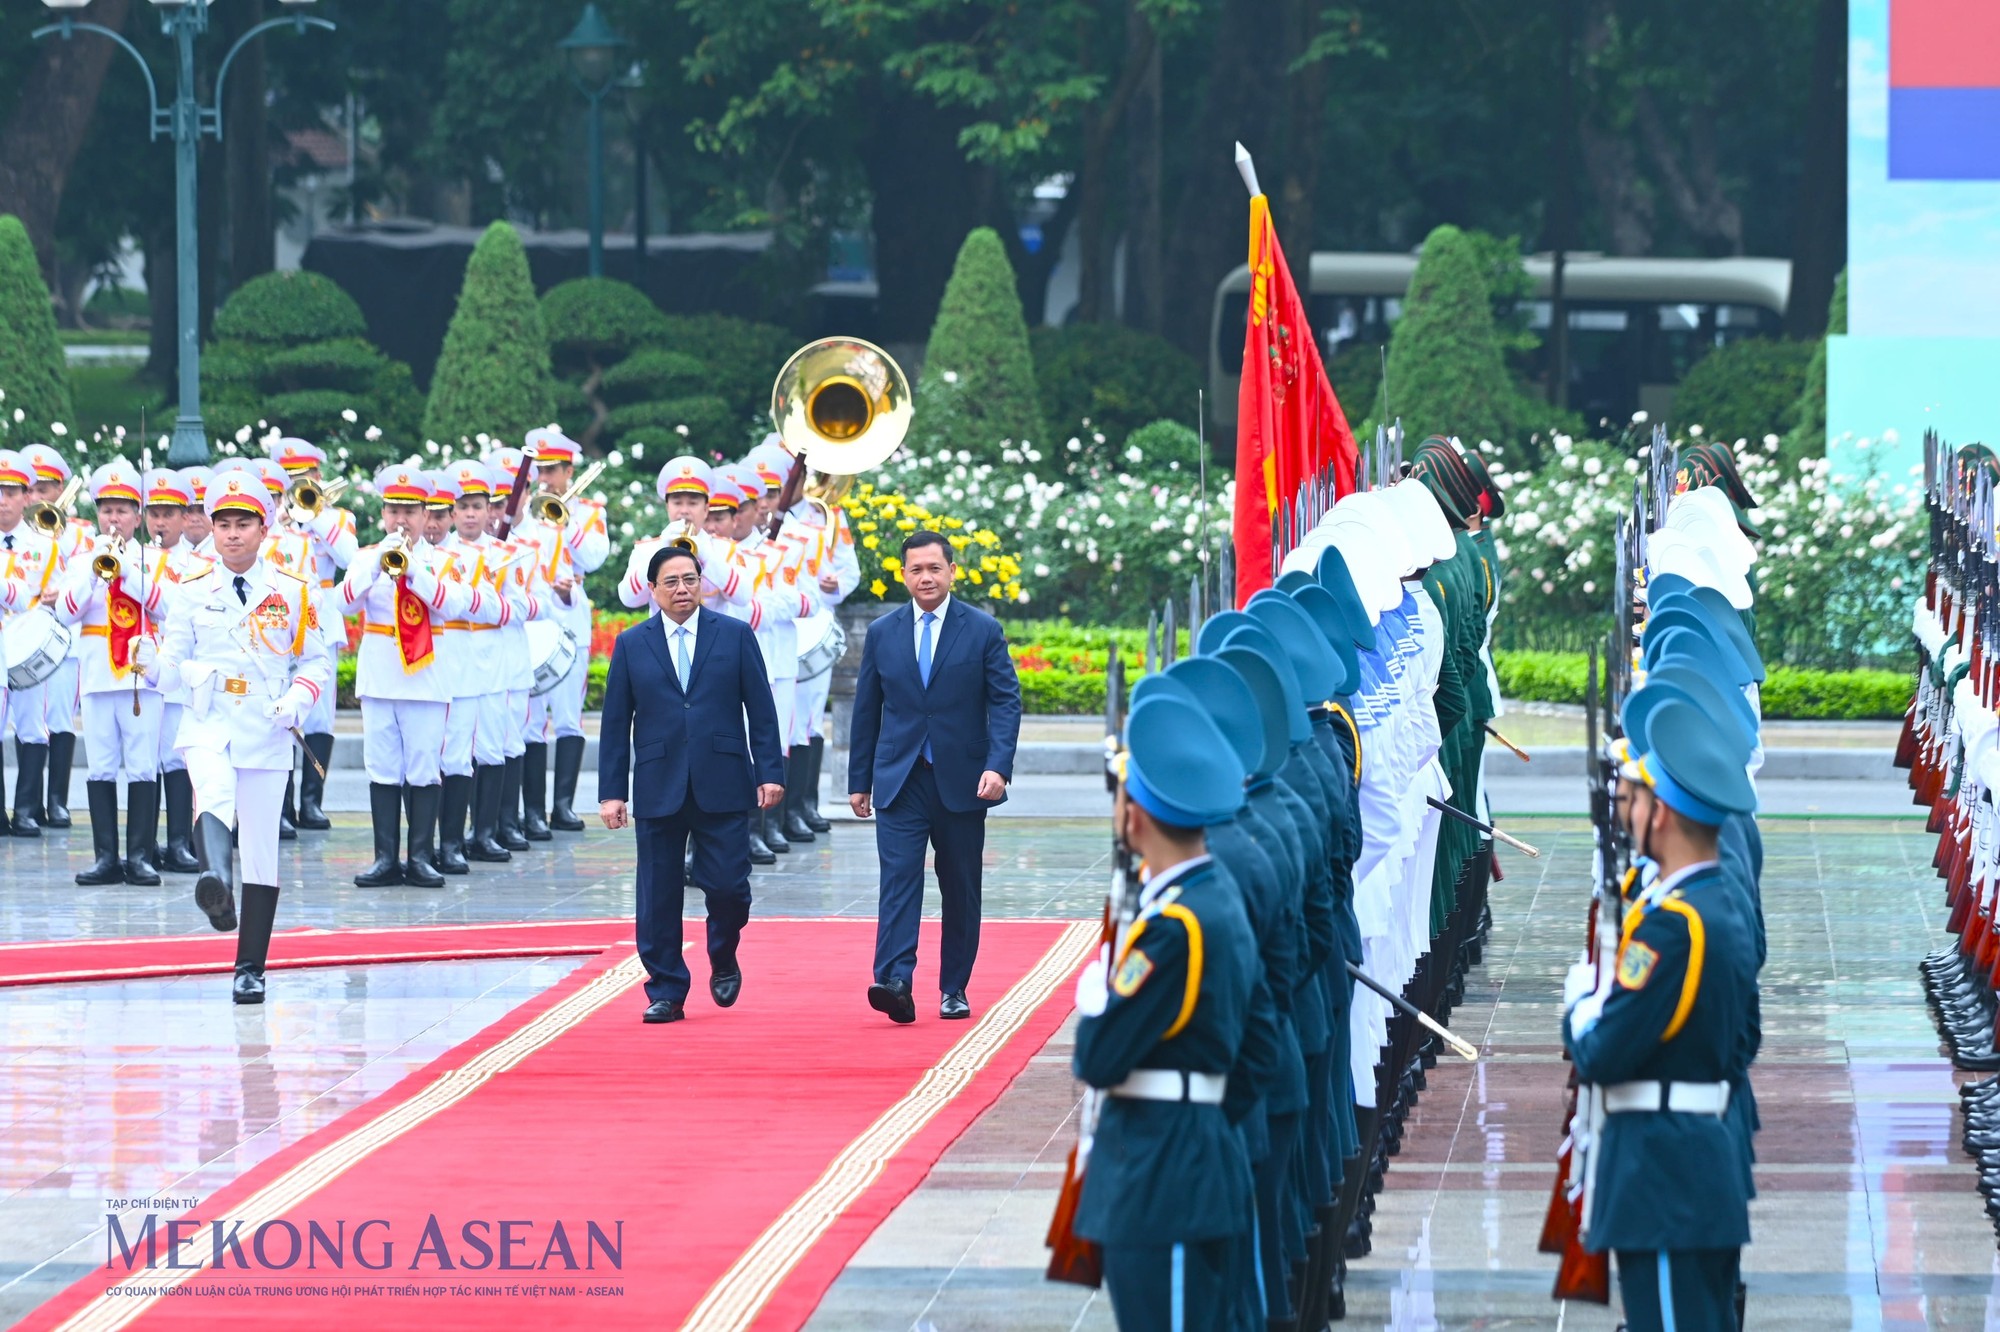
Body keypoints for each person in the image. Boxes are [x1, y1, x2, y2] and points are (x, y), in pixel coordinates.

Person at [1565, 697, 1759, 1332]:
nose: (1628, 814)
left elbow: (1598, 1053)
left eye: (1637, 800)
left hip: (1665, 1178)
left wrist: (1578, 1006)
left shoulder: (1673, 931)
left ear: (1664, 814)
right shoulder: (1713, 901)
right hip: (1693, 1166)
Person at [1070, 693, 1261, 1330]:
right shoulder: (1214, 898)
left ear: (1136, 815)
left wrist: (1099, 998)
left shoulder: (1174, 927)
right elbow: (1257, 1053)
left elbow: (1097, 1057)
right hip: (1196, 1158)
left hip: (1163, 1179)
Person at [137, 469, 334, 1003]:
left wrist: (296, 700)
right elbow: (174, 665)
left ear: (263, 527)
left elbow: (315, 661)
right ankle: (217, 887)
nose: (231, 533)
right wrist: (151, 666)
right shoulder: (190, 590)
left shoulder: (292, 591)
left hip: (267, 727)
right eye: (222, 523)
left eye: (243, 523)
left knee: (263, 850)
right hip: (209, 721)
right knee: (214, 795)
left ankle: (250, 967)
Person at [597, 542, 784, 1025]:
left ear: (702, 583)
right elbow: (616, 722)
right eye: (671, 582)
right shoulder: (632, 644)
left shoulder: (735, 635)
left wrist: (770, 772)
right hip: (659, 781)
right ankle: (666, 989)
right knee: (657, 893)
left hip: (722, 778)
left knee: (727, 886)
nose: (682, 589)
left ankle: (723, 953)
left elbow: (761, 710)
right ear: (651, 590)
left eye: (690, 579)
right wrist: (612, 792)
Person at [848, 529, 1022, 1024]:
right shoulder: (883, 632)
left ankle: (954, 987)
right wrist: (859, 779)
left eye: (934, 568)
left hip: (964, 780)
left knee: (960, 886)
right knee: (898, 879)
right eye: (915, 569)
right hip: (900, 779)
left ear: (951, 571)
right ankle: (895, 981)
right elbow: (867, 709)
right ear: (903, 575)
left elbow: (1006, 701)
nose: (925, 577)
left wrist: (998, 766)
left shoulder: (982, 629)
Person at [338, 463, 477, 888]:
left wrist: (414, 570)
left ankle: (420, 856)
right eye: (394, 510)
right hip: (380, 676)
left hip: (426, 677)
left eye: (411, 511)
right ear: (383, 514)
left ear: (424, 515)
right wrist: (377, 565)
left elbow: (454, 605)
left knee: (422, 767)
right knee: (381, 766)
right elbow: (343, 603)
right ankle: (385, 858)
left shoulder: (445, 560)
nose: (402, 520)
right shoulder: (366, 557)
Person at [54, 460, 172, 886]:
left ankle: (139, 856)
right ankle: (106, 857)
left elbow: (167, 607)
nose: (114, 518)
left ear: (138, 517)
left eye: (123, 510)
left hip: (141, 676)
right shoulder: (82, 559)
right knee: (100, 766)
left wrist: (127, 570)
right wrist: (95, 571)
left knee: (142, 766)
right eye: (107, 510)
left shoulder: (154, 560)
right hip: (99, 676)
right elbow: (66, 612)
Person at [515, 428, 610, 837]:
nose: (544, 479)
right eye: (540, 470)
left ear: (569, 470)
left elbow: (595, 557)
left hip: (571, 620)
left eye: (552, 471)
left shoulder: (589, 511)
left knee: (569, 717)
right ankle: (533, 812)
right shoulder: (524, 513)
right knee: (531, 720)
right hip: (533, 621)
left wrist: (566, 519)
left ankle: (564, 807)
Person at [17, 442, 89, 832]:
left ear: (62, 488)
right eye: (35, 488)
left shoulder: (79, 533)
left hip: (63, 637)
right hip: (22, 636)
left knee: (60, 717)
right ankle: (26, 804)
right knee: (28, 719)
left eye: (47, 488)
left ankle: (56, 801)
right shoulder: (14, 532)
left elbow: (86, 572)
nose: (41, 495)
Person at [0, 450, 65, 836]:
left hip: (27, 646)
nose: (3, 499)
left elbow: (41, 599)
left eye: (11, 491)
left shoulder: (44, 545)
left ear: (27, 496)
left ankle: (26, 809)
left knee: (31, 727)